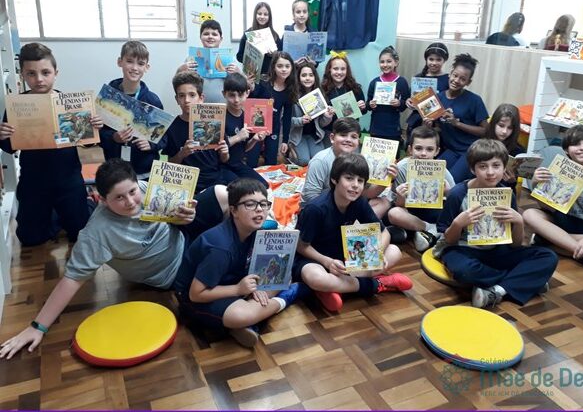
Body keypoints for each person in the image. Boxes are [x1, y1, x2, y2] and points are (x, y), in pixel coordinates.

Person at [0, 158, 197, 360]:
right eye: (119, 198)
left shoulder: (145, 189)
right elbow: (72, 279)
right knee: (214, 271)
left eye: (132, 191)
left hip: (185, 241)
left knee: (215, 194)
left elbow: (178, 215)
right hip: (175, 271)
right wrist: (37, 327)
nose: (130, 201)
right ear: (102, 199)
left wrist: (188, 216)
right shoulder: (97, 233)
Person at [173, 178, 307, 348]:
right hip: (194, 298)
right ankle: (288, 296)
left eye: (264, 204)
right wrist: (239, 289)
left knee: (281, 276)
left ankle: (238, 323)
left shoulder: (256, 230)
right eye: (250, 204)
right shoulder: (220, 248)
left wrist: (256, 287)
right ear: (233, 210)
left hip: (230, 281)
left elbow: (259, 268)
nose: (259, 209)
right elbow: (196, 294)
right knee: (241, 316)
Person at [0, 43, 103, 246]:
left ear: (56, 73)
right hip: (33, 180)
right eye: (31, 73)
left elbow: (87, 145)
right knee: (31, 239)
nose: (39, 79)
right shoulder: (16, 106)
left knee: (80, 234)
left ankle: (87, 202)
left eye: (45, 72)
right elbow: (10, 148)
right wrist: (2, 136)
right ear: (23, 75)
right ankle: (55, 215)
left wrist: (93, 129)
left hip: (68, 178)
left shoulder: (68, 103)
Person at [435, 139, 558, 308]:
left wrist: (519, 222)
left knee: (548, 257)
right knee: (464, 271)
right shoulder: (458, 194)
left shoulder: (507, 195)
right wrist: (457, 224)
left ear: (504, 167)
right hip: (464, 250)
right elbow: (448, 240)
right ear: (472, 169)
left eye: (496, 166)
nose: (490, 172)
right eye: (483, 166)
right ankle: (524, 282)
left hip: (498, 250)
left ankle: (498, 290)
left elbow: (515, 245)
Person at [294, 153, 412, 312]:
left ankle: (334, 288)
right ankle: (377, 284)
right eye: (349, 178)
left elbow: (385, 233)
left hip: (345, 257)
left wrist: (378, 252)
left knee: (394, 251)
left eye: (360, 181)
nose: (355, 185)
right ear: (334, 179)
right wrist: (327, 262)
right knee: (315, 277)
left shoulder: (359, 202)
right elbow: (301, 246)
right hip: (317, 260)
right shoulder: (315, 208)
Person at [523, 125, 583, 278]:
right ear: (566, 150)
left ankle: (548, 240)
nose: (582, 148)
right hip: (563, 219)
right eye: (576, 144)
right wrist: (536, 184)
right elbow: (547, 207)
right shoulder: (558, 169)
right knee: (529, 214)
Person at [99, 40, 162, 179]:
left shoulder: (153, 100)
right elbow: (99, 134)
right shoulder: (107, 97)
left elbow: (164, 137)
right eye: (129, 61)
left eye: (140, 63)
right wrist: (113, 137)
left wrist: (151, 144)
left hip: (145, 172)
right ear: (119, 62)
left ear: (147, 67)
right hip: (116, 171)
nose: (134, 68)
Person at [161, 71, 231, 193]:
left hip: (215, 181)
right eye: (181, 96)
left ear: (201, 98)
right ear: (177, 99)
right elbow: (169, 164)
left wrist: (224, 153)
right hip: (187, 184)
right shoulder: (172, 127)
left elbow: (224, 159)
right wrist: (182, 154)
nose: (187, 100)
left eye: (192, 95)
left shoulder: (214, 122)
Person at [388, 126, 455, 252]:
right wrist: (401, 196)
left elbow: (455, 201)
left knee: (453, 215)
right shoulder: (402, 168)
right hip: (411, 211)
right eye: (418, 148)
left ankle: (411, 232)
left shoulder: (441, 169)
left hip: (434, 212)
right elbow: (399, 205)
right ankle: (430, 230)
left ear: (437, 151)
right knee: (394, 214)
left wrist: (447, 192)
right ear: (410, 149)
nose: (423, 154)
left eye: (429, 149)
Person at [428, 53, 489, 183]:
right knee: (432, 176)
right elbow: (438, 128)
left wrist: (457, 123)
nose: (456, 80)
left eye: (462, 79)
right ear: (450, 74)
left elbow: (486, 131)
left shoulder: (474, 100)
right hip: (451, 150)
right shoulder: (438, 98)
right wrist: (429, 125)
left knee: (450, 182)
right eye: (455, 75)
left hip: (470, 151)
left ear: (468, 82)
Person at [246, 51, 297, 166]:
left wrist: (285, 141)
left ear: (291, 68)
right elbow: (250, 101)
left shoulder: (290, 89)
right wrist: (251, 87)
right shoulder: (264, 84)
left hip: (274, 129)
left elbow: (287, 117)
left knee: (271, 162)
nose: (284, 69)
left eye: (287, 66)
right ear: (273, 67)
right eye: (280, 66)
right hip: (256, 126)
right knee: (251, 161)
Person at [221, 72, 268, 186]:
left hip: (238, 164)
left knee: (263, 185)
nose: (236, 100)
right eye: (232, 95)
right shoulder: (220, 116)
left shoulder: (247, 116)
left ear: (247, 93)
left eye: (240, 95)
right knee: (241, 189)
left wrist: (254, 140)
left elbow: (244, 148)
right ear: (224, 94)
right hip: (221, 166)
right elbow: (215, 148)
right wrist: (237, 137)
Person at [289, 58, 333, 166]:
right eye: (304, 75)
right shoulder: (292, 96)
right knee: (304, 161)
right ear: (298, 78)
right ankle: (290, 151)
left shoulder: (319, 95)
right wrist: (300, 120)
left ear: (315, 77)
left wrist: (327, 117)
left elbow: (321, 123)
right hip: (298, 136)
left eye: (311, 75)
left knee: (319, 160)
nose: (307, 78)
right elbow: (285, 120)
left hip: (314, 135)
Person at [366, 46, 409, 150]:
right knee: (374, 155)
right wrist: (370, 104)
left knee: (392, 156)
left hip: (393, 128)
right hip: (376, 127)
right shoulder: (374, 82)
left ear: (396, 62)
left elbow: (406, 103)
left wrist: (399, 103)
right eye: (382, 62)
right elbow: (368, 104)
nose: (385, 65)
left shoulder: (402, 82)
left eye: (389, 61)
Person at [406, 42, 450, 139]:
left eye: (438, 59)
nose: (434, 63)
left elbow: (450, 101)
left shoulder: (448, 80)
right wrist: (408, 102)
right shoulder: (418, 78)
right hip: (417, 121)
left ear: (445, 60)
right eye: (431, 59)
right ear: (426, 59)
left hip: (438, 124)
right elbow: (410, 98)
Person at [484, 103, 524, 188]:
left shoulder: (518, 150)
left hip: (504, 190)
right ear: (494, 123)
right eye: (501, 125)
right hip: (481, 188)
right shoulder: (481, 143)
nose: (504, 131)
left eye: (510, 128)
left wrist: (512, 181)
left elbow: (513, 185)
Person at [236, 2, 281, 77]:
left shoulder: (274, 35)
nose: (262, 17)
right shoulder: (248, 34)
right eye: (259, 14)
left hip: (270, 76)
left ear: (269, 17)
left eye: (265, 14)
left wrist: (274, 55)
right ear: (255, 15)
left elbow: (281, 57)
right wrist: (250, 56)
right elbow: (239, 56)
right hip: (252, 76)